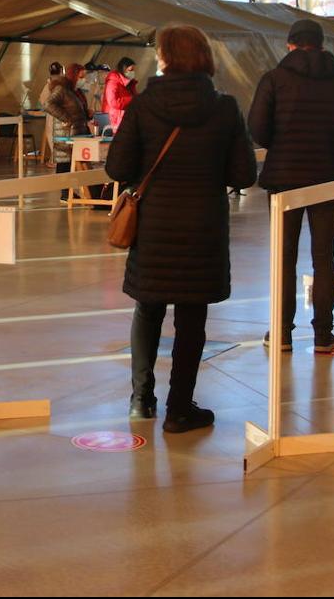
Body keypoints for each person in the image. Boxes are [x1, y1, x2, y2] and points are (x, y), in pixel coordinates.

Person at [107, 26, 256, 432]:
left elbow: (117, 169)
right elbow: (244, 173)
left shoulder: (142, 105)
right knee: (192, 317)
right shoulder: (225, 107)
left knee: (147, 307)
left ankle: (141, 399)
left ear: (166, 58)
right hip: (203, 228)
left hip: (153, 226)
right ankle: (179, 409)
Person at [250, 19, 334, 354]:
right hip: (327, 176)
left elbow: (258, 130)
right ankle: (322, 336)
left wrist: (282, 139)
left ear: (290, 45)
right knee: (323, 257)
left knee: (284, 258)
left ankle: (282, 333)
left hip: (284, 178)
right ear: (321, 45)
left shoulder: (273, 79)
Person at [41, 62, 94, 201]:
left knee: (72, 164)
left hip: (77, 132)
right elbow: (48, 104)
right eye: (81, 76)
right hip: (65, 134)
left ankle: (71, 193)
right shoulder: (61, 90)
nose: (84, 80)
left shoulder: (75, 91)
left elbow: (76, 109)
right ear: (74, 75)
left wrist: (87, 114)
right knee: (64, 164)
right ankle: (65, 194)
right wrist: (66, 118)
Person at [103, 57, 139, 132]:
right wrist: (132, 98)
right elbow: (113, 102)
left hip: (126, 121)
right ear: (123, 70)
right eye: (130, 70)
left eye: (133, 70)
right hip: (115, 122)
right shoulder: (113, 82)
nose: (133, 72)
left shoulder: (130, 84)